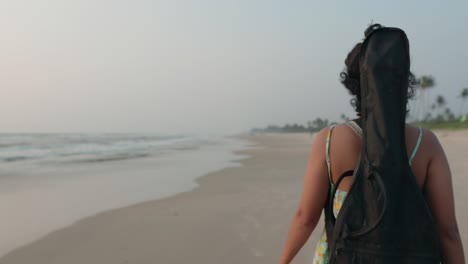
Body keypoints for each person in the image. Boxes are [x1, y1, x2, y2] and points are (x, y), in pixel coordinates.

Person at [278, 24, 465, 264]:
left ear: (355, 85)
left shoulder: (329, 141)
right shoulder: (426, 144)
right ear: (401, 81)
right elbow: (447, 232)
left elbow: (306, 218)